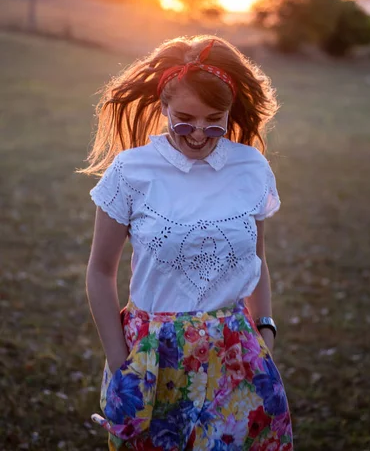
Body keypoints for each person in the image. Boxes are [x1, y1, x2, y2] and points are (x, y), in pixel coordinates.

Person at [82, 35, 293, 450]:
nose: (199, 133)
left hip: (237, 350)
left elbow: (257, 259)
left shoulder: (250, 166)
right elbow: (100, 271)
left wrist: (264, 330)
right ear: (163, 107)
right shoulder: (131, 171)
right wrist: (119, 362)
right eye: (184, 119)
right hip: (152, 356)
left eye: (214, 119)